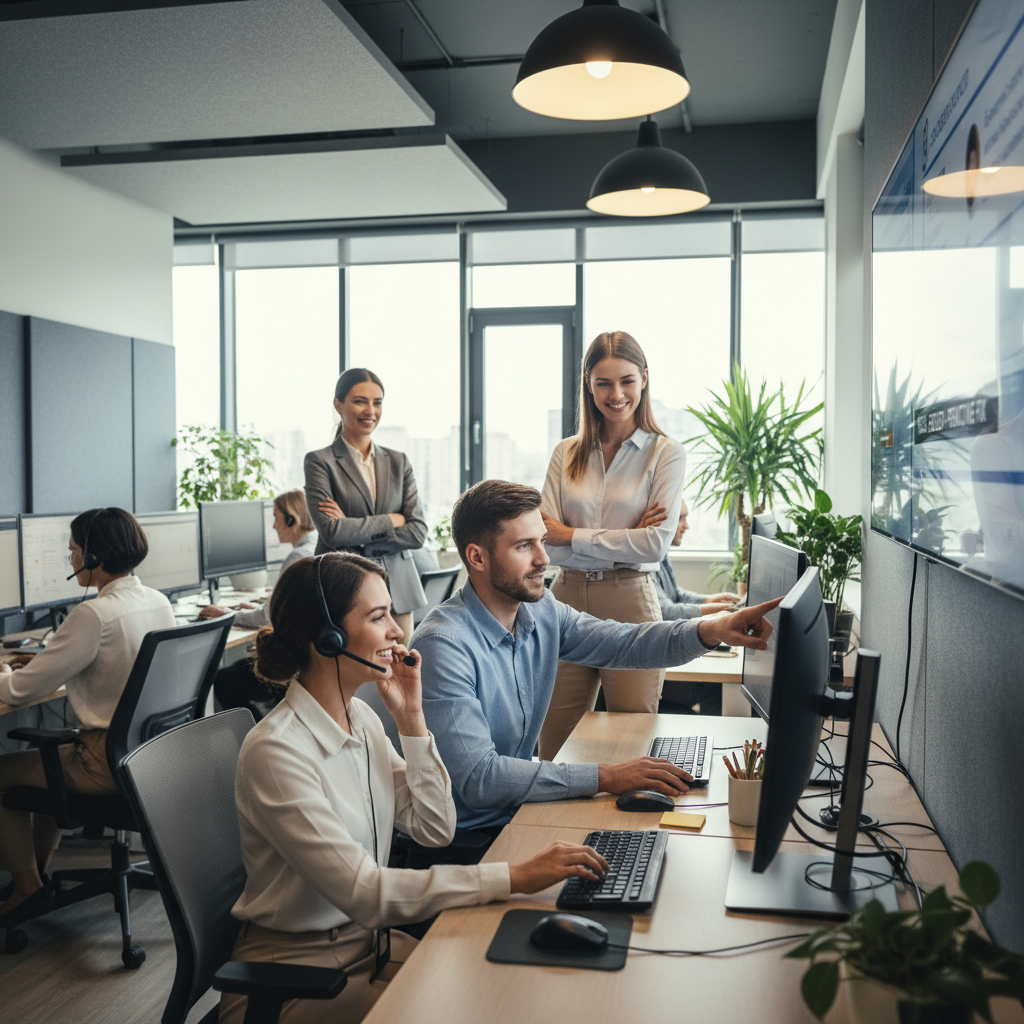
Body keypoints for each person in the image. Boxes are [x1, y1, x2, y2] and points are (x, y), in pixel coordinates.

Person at [220, 552, 609, 1024]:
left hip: (373, 945)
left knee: (513, 985)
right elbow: (365, 892)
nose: (398, 631)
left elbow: (435, 828)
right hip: (297, 976)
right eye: (378, 616)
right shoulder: (278, 753)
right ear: (329, 639)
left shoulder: (359, 718)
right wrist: (513, 877)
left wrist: (411, 721)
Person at [412, 480, 781, 838]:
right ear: (477, 556)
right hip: (468, 839)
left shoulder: (541, 611)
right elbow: (481, 780)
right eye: (524, 546)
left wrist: (712, 629)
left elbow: (624, 643)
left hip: (517, 813)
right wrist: (605, 776)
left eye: (542, 540)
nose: (544, 558)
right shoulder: (444, 645)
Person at [0, 508, 176, 920]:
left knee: (3, 772)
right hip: (148, 756)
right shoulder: (157, 601)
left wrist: (6, 671)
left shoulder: (93, 615)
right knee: (52, 761)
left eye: (73, 550)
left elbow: (24, 689)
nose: (71, 559)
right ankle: (39, 873)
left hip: (102, 762)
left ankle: (26, 888)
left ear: (94, 557)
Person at [538, 331, 684, 760]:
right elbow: (547, 544)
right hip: (563, 600)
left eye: (626, 381)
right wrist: (625, 538)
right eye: (603, 382)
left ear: (643, 379)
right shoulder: (565, 453)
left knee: (631, 743)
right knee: (555, 747)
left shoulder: (666, 454)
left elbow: (655, 546)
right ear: (588, 383)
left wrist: (574, 535)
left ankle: (627, 831)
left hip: (630, 604)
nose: (616, 394)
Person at [304, 368, 428, 641]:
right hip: (345, 589)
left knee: (398, 674)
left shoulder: (399, 461)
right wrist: (391, 520)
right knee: (356, 680)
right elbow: (331, 533)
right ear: (338, 405)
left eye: (377, 402)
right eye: (360, 401)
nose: (370, 410)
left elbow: (418, 532)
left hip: (398, 591)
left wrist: (353, 531)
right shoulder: (319, 462)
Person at [199, 489, 318, 719]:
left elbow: (266, 618)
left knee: (224, 682)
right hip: (309, 660)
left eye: (276, 517)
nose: (273, 525)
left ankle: (259, 734)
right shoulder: (315, 547)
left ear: (291, 518)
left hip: (291, 668)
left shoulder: (297, 557)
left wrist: (226, 614)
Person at [654, 501, 742, 621]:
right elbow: (666, 612)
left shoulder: (662, 550)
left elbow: (676, 594)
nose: (686, 526)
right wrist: (720, 608)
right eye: (681, 518)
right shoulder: (644, 561)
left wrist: (708, 600)